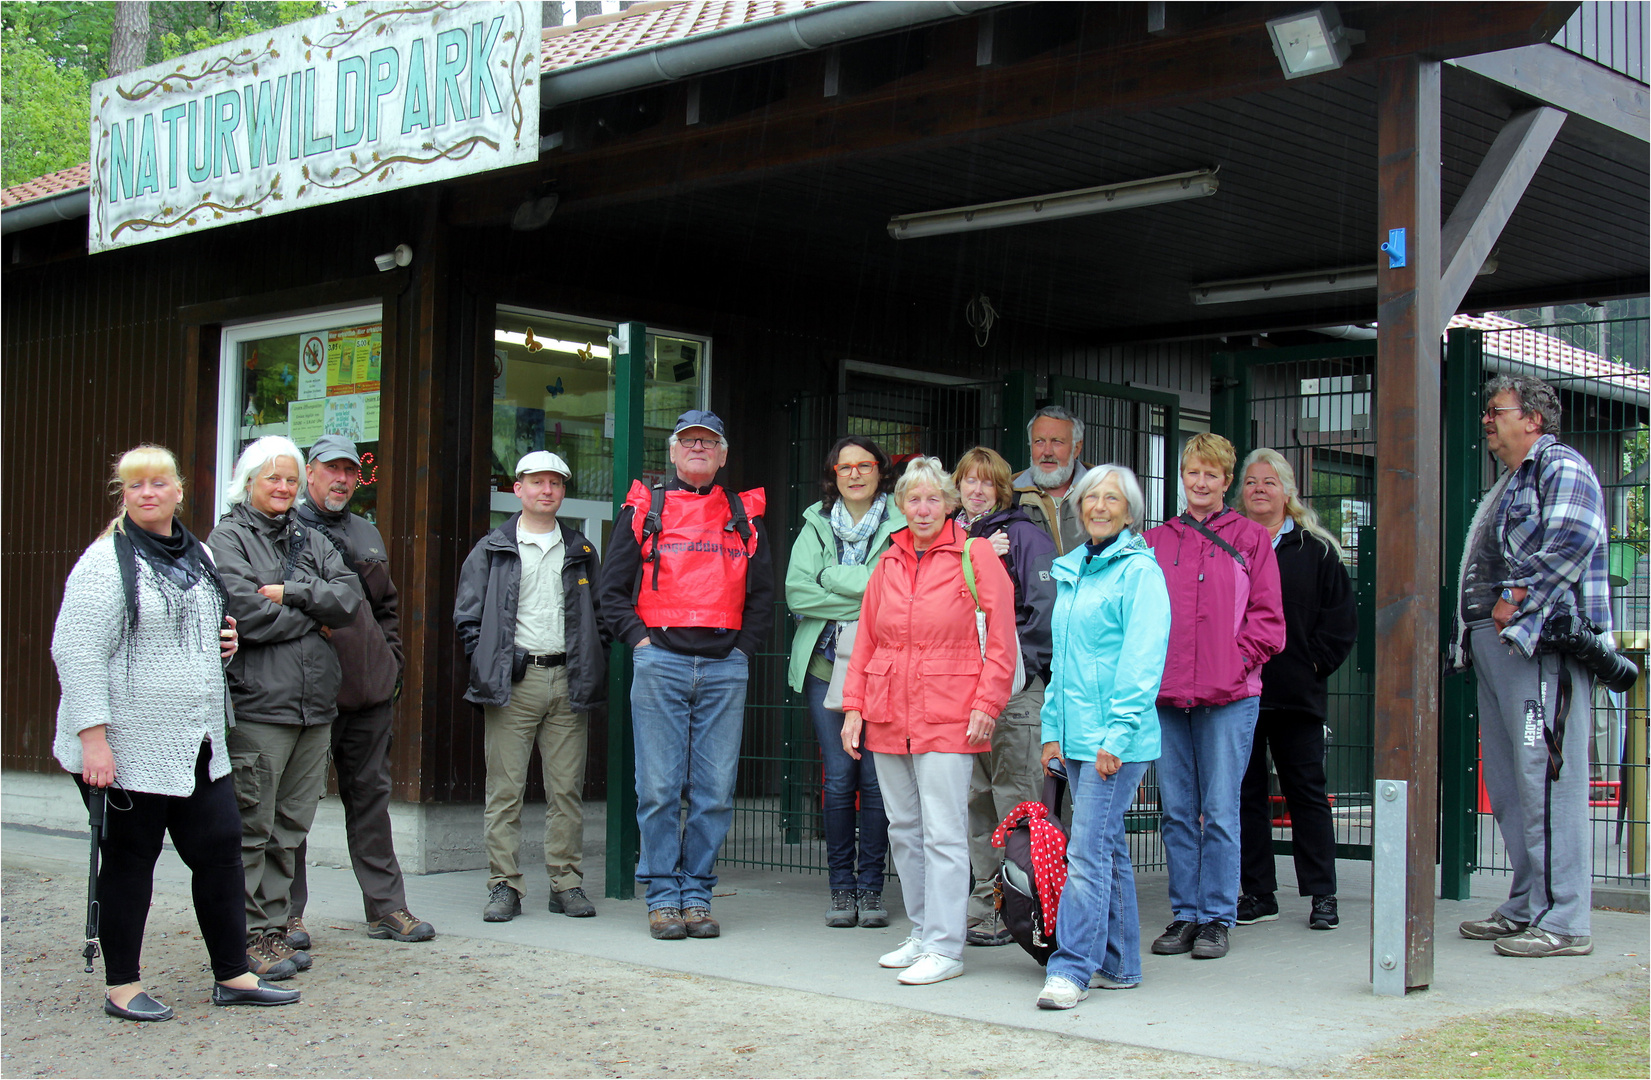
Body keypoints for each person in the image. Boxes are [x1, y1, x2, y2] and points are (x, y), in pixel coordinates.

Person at [52, 444, 299, 1019]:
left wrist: (226, 646)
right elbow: (77, 651)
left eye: (157, 483)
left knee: (220, 856)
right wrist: (94, 740)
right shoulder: (105, 563)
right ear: (124, 495)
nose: (146, 494)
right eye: (133, 486)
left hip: (197, 740)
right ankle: (122, 986)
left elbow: (197, 633)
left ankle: (233, 976)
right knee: (131, 863)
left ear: (179, 491)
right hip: (128, 745)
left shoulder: (199, 554)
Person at [1450, 376, 1611, 958]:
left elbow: (1574, 534)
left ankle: (1565, 920)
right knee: (1514, 783)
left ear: (1534, 419)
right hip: (1499, 648)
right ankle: (1527, 903)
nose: (1488, 421)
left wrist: (1514, 598)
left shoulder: (1558, 464)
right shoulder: (1512, 480)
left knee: (1547, 778)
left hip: (1538, 647)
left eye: (1497, 411)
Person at [841, 456, 1017, 986]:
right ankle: (922, 932)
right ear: (900, 505)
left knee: (944, 832)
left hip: (950, 712)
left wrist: (987, 705)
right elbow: (866, 639)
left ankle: (946, 945)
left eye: (933, 499)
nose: (923, 509)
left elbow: (1003, 637)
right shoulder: (888, 562)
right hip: (890, 711)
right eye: (913, 499)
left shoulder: (975, 553)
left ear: (951, 503)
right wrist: (854, 707)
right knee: (905, 828)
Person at [600, 411, 773, 940]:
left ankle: (696, 893)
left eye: (709, 443)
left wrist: (741, 652)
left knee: (716, 790)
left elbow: (763, 596)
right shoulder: (645, 507)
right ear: (673, 454)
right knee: (657, 788)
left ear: (723, 456)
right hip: (661, 663)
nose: (698, 449)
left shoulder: (743, 514)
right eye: (688, 442)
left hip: (725, 667)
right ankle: (662, 897)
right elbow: (610, 591)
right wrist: (642, 643)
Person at [209, 436, 361, 978]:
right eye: (273, 477)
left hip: (314, 708)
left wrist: (288, 592)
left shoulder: (307, 535)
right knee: (251, 827)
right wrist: (311, 609)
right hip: (260, 707)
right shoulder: (226, 539)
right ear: (248, 481)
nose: (283, 487)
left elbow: (349, 599)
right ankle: (244, 937)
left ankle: (274, 930)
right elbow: (243, 614)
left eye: (291, 478)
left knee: (290, 828)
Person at [287, 435, 435, 947]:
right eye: (332, 469)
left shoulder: (366, 532)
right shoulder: (285, 529)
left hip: (368, 696)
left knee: (370, 801)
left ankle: (387, 908)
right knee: (295, 807)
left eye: (351, 471)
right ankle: (286, 916)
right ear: (310, 473)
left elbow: (386, 608)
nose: (343, 479)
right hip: (306, 694)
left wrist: (389, 666)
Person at [1034, 464, 1171, 1010]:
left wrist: (1116, 737)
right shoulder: (1075, 569)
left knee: (1086, 853)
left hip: (1117, 741)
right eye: (1091, 498)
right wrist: (1050, 731)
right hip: (1073, 736)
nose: (1098, 506)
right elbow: (1062, 663)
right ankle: (1120, 963)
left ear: (1130, 511)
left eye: (1111, 499)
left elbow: (1142, 664)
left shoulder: (1140, 573)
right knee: (1106, 849)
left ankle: (1071, 968)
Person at [1144, 433, 1284, 961]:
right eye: (1192, 473)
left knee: (1221, 810)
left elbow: (1269, 621)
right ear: (1182, 478)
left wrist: (1234, 663)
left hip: (1230, 695)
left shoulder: (1251, 539)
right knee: (1177, 809)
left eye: (1211, 475)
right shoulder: (1157, 541)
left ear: (1227, 482)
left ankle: (1218, 916)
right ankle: (1185, 913)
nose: (1200, 483)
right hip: (1170, 695)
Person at [456, 450, 608, 923]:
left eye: (556, 483)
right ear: (517, 489)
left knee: (566, 792)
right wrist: (494, 661)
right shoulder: (492, 548)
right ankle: (504, 885)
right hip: (513, 683)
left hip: (569, 680)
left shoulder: (581, 550)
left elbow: (600, 618)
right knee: (505, 791)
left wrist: (589, 658)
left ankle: (566, 884)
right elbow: (468, 617)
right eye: (537, 482)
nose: (547, 491)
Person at [1234, 448, 1357, 932]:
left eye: (1270, 482)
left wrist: (1312, 664)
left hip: (1296, 695)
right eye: (1251, 482)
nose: (1260, 489)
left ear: (1288, 492)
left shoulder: (1318, 551)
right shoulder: (1230, 545)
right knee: (1245, 795)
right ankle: (1258, 893)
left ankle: (1322, 895)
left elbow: (1340, 623)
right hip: (1238, 694)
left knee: (1307, 793)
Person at [785, 436, 902, 929]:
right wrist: (862, 596)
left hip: (882, 671)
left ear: (880, 472)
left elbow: (892, 593)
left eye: (865, 465)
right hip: (824, 670)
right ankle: (841, 890)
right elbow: (797, 593)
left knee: (876, 783)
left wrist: (831, 578)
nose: (854, 474)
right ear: (832, 474)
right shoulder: (814, 521)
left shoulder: (901, 521)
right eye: (844, 467)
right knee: (838, 782)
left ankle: (871, 890)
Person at [950, 447, 1057, 947]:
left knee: (1016, 802)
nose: (976, 491)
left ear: (1002, 489)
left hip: (1014, 693)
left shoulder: (1026, 537)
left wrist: (1018, 672)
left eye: (987, 483)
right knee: (975, 804)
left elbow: (1042, 612)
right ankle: (983, 905)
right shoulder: (951, 537)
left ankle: (1023, 907)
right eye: (968, 482)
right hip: (962, 695)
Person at [1010, 406, 1093, 555]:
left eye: (1057, 442)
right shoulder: (1008, 495)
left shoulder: (1104, 491)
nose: (1047, 452)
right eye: (1039, 441)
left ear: (1077, 448)